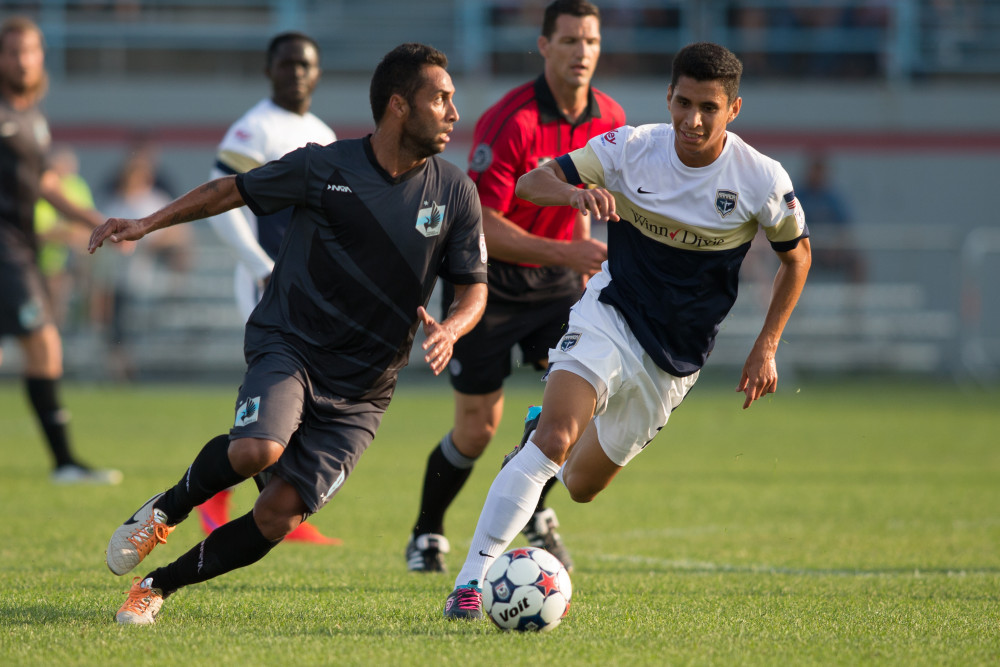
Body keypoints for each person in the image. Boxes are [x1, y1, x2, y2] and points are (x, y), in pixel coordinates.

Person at [90, 42, 488, 626]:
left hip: (364, 387)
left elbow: (473, 288)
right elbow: (231, 191)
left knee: (277, 515)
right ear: (399, 106)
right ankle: (165, 510)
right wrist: (146, 223)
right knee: (258, 449)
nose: (454, 112)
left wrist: (452, 327)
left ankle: (157, 586)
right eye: (442, 98)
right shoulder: (324, 166)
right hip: (291, 343)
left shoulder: (454, 192)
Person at [443, 41, 812, 620]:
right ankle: (470, 581)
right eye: (683, 103)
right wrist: (575, 192)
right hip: (610, 315)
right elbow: (530, 183)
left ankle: (545, 430)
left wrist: (767, 345)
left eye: (708, 108)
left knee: (582, 484)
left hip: (675, 358)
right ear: (668, 96)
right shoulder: (631, 147)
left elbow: (798, 257)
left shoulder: (761, 179)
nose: (692, 120)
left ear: (733, 110)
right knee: (555, 441)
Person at [406, 0, 626, 575]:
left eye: (591, 42)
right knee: (476, 430)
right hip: (487, 285)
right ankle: (427, 532)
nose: (582, 52)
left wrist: (581, 261)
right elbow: (484, 223)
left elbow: (588, 196)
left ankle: (535, 510)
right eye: (571, 40)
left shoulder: (612, 117)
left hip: (557, 288)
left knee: (569, 419)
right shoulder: (513, 118)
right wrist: (569, 251)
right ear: (544, 46)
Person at [201, 31, 339, 545]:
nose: (296, 73)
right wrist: (259, 265)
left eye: (305, 64)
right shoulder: (252, 128)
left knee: (300, 389)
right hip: (265, 280)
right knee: (273, 381)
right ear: (269, 69)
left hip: (308, 286)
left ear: (318, 72)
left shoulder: (321, 132)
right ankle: (248, 500)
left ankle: (268, 500)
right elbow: (221, 204)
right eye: (287, 64)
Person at [0, 16, 122, 485]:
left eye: (30, 51)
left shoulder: (30, 118)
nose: (23, 60)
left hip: (19, 247)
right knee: (44, 344)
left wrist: (102, 224)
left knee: (41, 348)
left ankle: (65, 463)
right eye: (13, 51)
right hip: (5, 250)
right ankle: (65, 463)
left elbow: (47, 184)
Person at [793, 153, 864, 283]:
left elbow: (844, 228)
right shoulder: (798, 195)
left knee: (858, 261)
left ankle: (855, 302)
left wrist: (835, 246)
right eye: (814, 171)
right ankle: (795, 301)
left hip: (831, 249)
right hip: (807, 248)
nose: (817, 176)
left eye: (820, 172)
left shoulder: (832, 197)